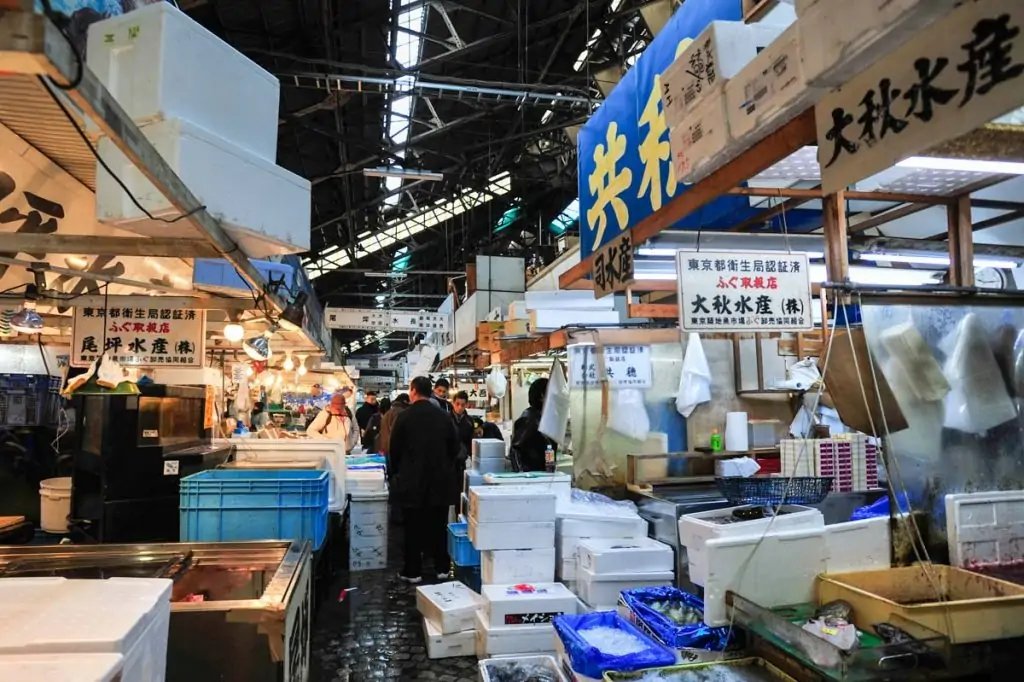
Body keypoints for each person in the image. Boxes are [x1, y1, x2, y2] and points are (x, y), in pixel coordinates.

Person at [388, 377, 460, 584]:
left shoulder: (404, 417)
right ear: (430, 392)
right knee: (438, 526)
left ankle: (413, 571)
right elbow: (455, 449)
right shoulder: (444, 417)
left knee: (412, 528)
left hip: (412, 483)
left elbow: (394, 451)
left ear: (413, 391)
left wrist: (398, 474)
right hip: (440, 483)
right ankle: (442, 568)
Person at [510, 377, 555, 472]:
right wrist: (521, 476)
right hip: (532, 476)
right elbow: (515, 449)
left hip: (542, 475)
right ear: (542, 396)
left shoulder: (543, 417)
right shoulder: (530, 419)